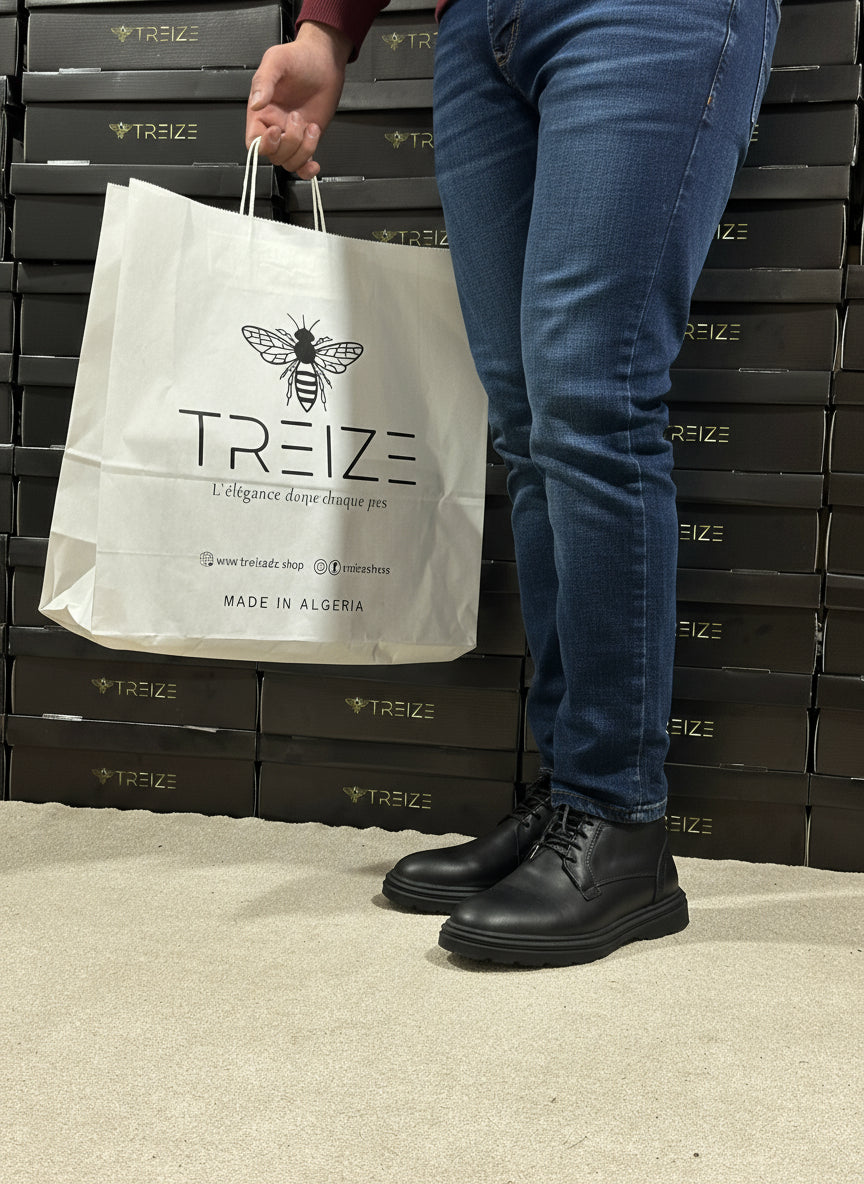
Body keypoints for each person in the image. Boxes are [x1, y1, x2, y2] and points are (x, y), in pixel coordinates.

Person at [246, 0, 781, 967]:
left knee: (592, 397)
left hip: (645, 14)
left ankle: (621, 822)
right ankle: (569, 800)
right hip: (476, 26)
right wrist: (326, 31)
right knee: (529, 425)